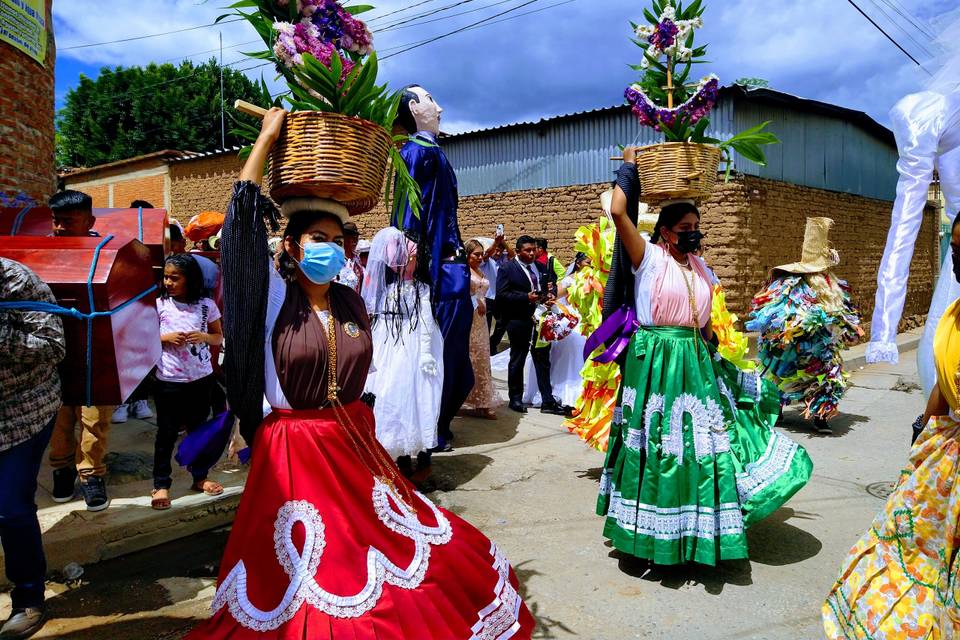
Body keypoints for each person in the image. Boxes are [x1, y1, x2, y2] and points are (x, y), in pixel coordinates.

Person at [186, 107, 534, 639]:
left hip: (355, 442)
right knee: (310, 571)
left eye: (337, 238)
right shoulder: (273, 297)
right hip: (294, 453)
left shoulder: (350, 299)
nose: (329, 248)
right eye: (316, 239)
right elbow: (240, 223)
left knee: (385, 550)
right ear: (291, 247)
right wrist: (267, 138)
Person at [595, 148, 812, 566]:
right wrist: (630, 166)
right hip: (655, 361)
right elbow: (619, 209)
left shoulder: (701, 267)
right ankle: (646, 539)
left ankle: (693, 535)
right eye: (683, 227)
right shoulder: (648, 258)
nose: (692, 233)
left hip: (694, 361)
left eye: (696, 226)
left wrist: (714, 353)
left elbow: (707, 321)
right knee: (658, 444)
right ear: (664, 232)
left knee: (699, 446)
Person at [823, 213, 960, 639]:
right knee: (905, 544)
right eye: (955, 250)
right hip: (946, 455)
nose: (959, 259)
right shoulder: (955, 312)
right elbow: (943, 381)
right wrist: (924, 431)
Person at [392, 84, 475, 450]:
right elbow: (407, 218)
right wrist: (414, 271)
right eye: (430, 100)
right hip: (434, 276)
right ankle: (431, 428)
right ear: (413, 108)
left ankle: (437, 425)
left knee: (454, 359)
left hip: (449, 270)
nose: (439, 107)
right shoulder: (413, 154)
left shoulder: (433, 152)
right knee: (436, 356)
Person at [747, 218, 863, 434]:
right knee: (780, 373)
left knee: (828, 377)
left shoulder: (833, 287)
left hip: (823, 346)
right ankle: (777, 408)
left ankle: (820, 414)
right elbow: (776, 314)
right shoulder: (791, 284)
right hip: (793, 343)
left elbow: (845, 314)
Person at [0, 258, 65, 639]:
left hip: (22, 409)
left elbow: (54, 347)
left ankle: (28, 599)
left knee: (10, 509)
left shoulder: (15, 280)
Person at [47, 189, 114, 511]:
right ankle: (61, 469)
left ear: (89, 221)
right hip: (51, 354)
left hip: (95, 352)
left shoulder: (106, 253)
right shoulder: (41, 252)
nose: (58, 228)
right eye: (56, 221)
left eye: (68, 222)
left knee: (94, 418)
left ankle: (90, 474)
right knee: (57, 418)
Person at [362, 227, 443, 480]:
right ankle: (401, 454)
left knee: (419, 394)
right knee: (391, 395)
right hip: (387, 341)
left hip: (414, 342)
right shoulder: (384, 287)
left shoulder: (421, 289)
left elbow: (426, 319)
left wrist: (427, 352)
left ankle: (423, 454)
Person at [150, 253, 224, 510]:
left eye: (175, 278)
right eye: (166, 277)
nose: (168, 282)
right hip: (169, 380)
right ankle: (161, 483)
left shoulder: (206, 305)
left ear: (190, 280)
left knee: (198, 431)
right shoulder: (159, 305)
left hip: (201, 379)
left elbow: (218, 337)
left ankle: (199, 477)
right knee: (166, 433)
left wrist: (203, 335)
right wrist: (165, 337)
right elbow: (144, 337)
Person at [496, 235, 567, 416]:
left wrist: (549, 297)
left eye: (534, 249)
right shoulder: (507, 269)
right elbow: (502, 295)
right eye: (527, 250)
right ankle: (516, 398)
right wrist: (525, 297)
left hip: (541, 319)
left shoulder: (542, 267)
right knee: (518, 358)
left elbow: (549, 287)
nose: (532, 253)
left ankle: (547, 401)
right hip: (518, 320)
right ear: (518, 251)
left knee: (542, 359)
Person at [111, 199, 160, 425]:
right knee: (123, 355)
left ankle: (139, 400)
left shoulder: (159, 242)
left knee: (144, 355)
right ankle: (122, 401)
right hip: (123, 306)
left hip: (148, 306)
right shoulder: (117, 239)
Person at [523, 252, 590, 409]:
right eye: (588, 262)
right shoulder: (570, 280)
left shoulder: (595, 279)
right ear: (579, 264)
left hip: (589, 321)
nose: (591, 266)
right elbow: (552, 296)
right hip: (572, 321)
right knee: (572, 350)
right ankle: (563, 393)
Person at [461, 239, 499, 419]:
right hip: (468, 320)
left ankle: (482, 401)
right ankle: (463, 397)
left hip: (481, 322)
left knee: (482, 359)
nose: (480, 257)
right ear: (467, 255)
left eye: (481, 254)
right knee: (469, 358)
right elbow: (462, 294)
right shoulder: (463, 272)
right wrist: (476, 301)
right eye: (476, 254)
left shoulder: (480, 271)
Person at [485, 232, 514, 352]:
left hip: (501, 297)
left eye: (500, 251)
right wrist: (496, 242)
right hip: (487, 296)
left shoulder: (504, 260)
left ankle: (493, 343)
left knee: (503, 323)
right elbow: (487, 254)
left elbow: (512, 255)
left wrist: (504, 243)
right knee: (486, 324)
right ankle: (486, 348)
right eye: (496, 250)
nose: (498, 253)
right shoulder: (487, 261)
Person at [335, 221, 364, 293]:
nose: (355, 241)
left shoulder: (357, 259)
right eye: (352, 238)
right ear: (344, 239)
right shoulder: (336, 259)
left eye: (356, 238)